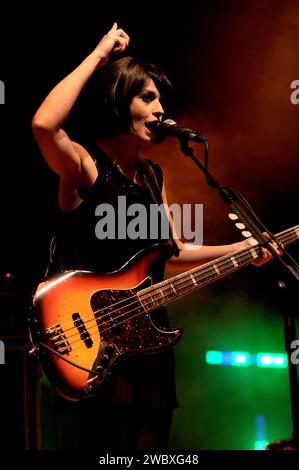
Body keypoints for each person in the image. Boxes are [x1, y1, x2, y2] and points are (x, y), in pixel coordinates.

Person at [31, 22, 279, 450]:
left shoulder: (150, 175)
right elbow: (43, 125)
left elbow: (171, 252)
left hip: (148, 345)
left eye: (161, 99)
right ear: (118, 100)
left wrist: (242, 248)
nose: (161, 108)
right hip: (94, 345)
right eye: (148, 97)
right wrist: (99, 55)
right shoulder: (85, 165)